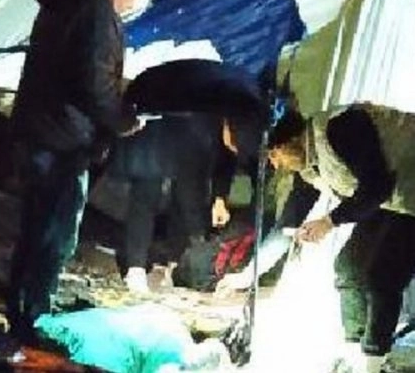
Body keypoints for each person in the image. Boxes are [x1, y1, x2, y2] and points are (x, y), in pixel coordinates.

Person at [7, 0, 154, 341]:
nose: (132, 4)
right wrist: (125, 120)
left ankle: (20, 312)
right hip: (63, 141)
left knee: (35, 229)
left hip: (39, 130)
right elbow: (92, 83)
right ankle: (34, 322)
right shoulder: (96, 10)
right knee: (54, 235)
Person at [223, 104, 415, 372]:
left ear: (289, 142)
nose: (276, 165)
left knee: (382, 275)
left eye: (274, 155)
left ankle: (374, 361)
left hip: (404, 190)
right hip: (392, 197)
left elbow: (376, 186)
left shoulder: (342, 128)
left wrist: (329, 221)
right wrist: (247, 276)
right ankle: (354, 351)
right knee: (348, 268)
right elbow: (287, 224)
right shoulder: (308, 166)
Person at [113, 113, 259, 293]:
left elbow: (225, 157)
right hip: (164, 125)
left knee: (186, 199)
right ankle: (137, 268)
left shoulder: (225, 130)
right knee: (147, 192)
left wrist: (220, 197)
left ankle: (175, 266)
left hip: (191, 135)